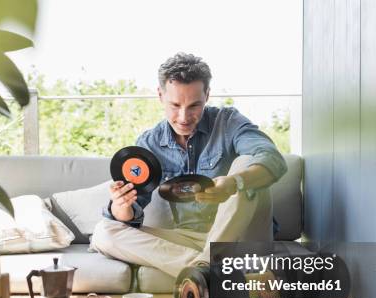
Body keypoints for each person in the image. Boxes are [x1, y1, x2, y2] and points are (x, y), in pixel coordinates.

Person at [90, 52, 287, 278]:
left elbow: (273, 159)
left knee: (245, 162)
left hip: (243, 238)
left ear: (207, 95)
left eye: (194, 105)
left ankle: (204, 269)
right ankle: (209, 270)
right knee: (104, 232)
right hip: (191, 239)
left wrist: (233, 183)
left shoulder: (228, 122)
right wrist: (121, 205)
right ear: (160, 96)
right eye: (175, 105)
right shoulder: (149, 142)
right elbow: (132, 216)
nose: (183, 117)